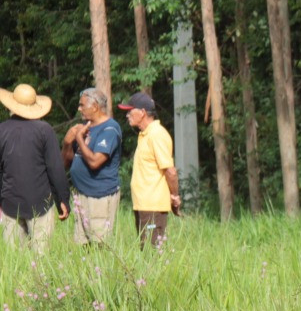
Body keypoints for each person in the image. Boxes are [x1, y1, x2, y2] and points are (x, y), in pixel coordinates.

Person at [0, 83, 70, 252]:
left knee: (15, 259)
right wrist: (63, 199)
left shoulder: (1, 129)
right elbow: (55, 168)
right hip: (40, 203)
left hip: (10, 202)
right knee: (41, 259)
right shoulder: (44, 130)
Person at [118, 92, 180, 248]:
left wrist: (174, 196)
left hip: (153, 206)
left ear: (143, 112)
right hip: (143, 205)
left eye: (130, 111)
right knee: (144, 249)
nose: (127, 115)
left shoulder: (157, 135)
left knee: (151, 252)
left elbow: (170, 171)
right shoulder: (145, 135)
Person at [62, 87, 122, 244]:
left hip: (99, 196)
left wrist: (79, 139)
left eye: (82, 105)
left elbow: (95, 162)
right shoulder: (85, 127)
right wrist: (67, 142)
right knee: (82, 244)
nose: (79, 108)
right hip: (81, 194)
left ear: (95, 106)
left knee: (99, 243)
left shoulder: (110, 129)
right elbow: (65, 163)